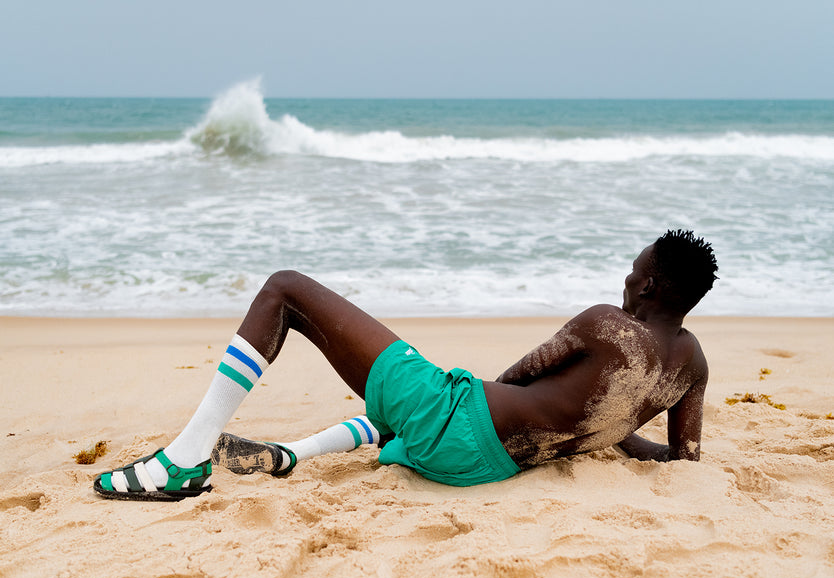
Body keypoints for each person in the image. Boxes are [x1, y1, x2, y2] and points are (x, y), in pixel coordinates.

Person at [94, 229, 718, 500]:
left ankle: (183, 461)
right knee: (408, 407)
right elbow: (680, 458)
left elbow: (515, 378)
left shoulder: (606, 322)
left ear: (650, 285)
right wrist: (611, 429)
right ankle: (291, 456)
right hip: (486, 468)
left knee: (285, 289)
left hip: (458, 423)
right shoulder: (692, 365)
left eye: (633, 271)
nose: (625, 278)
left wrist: (458, 399)